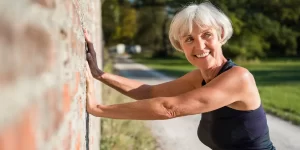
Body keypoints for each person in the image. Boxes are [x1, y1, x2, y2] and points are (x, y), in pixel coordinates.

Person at [84, 2, 276, 150]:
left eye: (207, 34)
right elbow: (150, 92)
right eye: (189, 39)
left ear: (221, 35)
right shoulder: (198, 78)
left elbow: (169, 108)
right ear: (181, 46)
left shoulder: (239, 78)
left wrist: (98, 109)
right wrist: (100, 75)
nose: (199, 46)